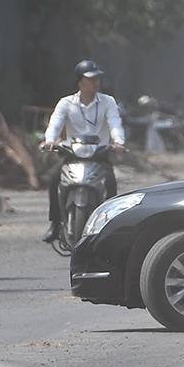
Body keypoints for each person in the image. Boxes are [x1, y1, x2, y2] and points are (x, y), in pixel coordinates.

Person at [40, 60, 126, 243]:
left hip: (99, 155)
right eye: (90, 79)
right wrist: (50, 141)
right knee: (54, 180)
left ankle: (109, 226)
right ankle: (55, 224)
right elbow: (55, 123)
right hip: (71, 154)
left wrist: (118, 142)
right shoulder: (66, 103)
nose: (95, 82)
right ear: (80, 82)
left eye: (97, 79)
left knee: (111, 183)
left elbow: (115, 123)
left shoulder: (108, 102)